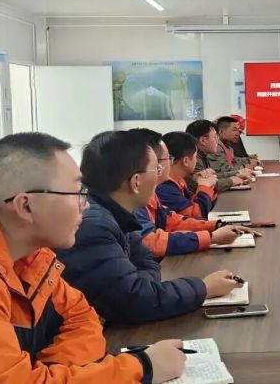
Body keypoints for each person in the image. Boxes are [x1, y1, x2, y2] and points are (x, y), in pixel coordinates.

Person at [0, 132, 185, 384]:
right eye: (76, 192)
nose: (85, 205)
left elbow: (82, 317)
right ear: (25, 206)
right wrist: (143, 369)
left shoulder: (33, 257)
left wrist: (53, 377)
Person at [55, 130, 239, 325]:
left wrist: (144, 288)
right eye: (156, 169)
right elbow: (134, 301)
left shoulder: (119, 214)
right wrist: (204, 288)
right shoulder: (94, 226)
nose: (161, 176)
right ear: (136, 182)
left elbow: (147, 263)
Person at [131, 128, 257, 258]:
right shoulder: (162, 188)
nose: (170, 162)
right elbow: (196, 214)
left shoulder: (157, 189)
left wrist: (216, 226)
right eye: (168, 158)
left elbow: (171, 221)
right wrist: (211, 237)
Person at [157, 131, 220, 219]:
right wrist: (204, 186)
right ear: (186, 161)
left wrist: (209, 185)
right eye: (195, 156)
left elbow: (195, 205)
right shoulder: (164, 187)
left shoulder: (179, 180)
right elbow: (197, 215)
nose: (196, 161)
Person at [186, 119, 249, 193]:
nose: (217, 141)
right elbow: (204, 185)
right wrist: (232, 181)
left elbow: (213, 177)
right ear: (203, 140)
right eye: (215, 137)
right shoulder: (193, 158)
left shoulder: (202, 155)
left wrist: (237, 174)